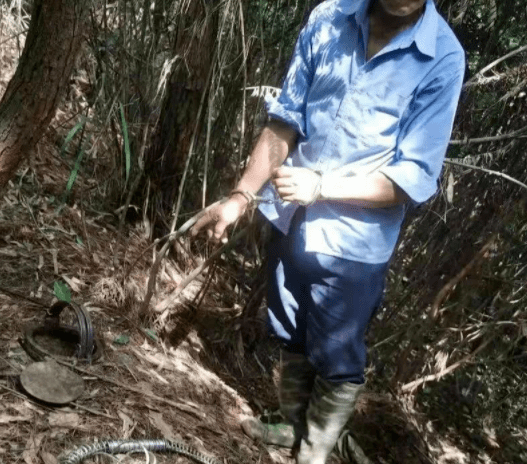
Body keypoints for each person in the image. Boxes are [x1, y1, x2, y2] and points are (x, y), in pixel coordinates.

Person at [190, 0, 465, 462]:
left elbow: (413, 177)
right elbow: (286, 119)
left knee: (338, 356)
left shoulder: (442, 56)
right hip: (289, 218)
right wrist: (240, 197)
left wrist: (321, 187)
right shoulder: (329, 17)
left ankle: (314, 450)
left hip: (353, 244)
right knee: (289, 330)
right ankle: (291, 426)